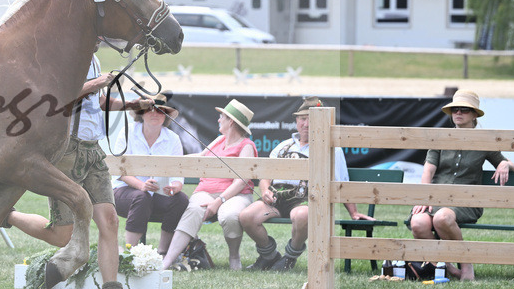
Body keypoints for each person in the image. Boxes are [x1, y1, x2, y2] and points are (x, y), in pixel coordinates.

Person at [0, 54, 156, 289]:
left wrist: (133, 104)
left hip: (94, 151)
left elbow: (97, 102)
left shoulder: (95, 60)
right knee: (61, 236)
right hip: (67, 151)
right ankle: (6, 216)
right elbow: (54, 100)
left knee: (110, 221)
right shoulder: (64, 55)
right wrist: (94, 83)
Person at [239, 97, 373, 272]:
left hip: (306, 200)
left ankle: (289, 257)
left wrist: (353, 212)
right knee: (246, 216)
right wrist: (265, 191)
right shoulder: (283, 146)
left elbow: (341, 182)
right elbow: (265, 176)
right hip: (276, 199)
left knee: (302, 216)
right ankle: (269, 256)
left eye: (312, 119)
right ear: (296, 122)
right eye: (303, 119)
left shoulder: (332, 148)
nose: (307, 124)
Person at [407, 90, 514, 281]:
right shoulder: (440, 137)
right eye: (455, 109)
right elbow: (428, 171)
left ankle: (466, 264)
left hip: (466, 201)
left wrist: (505, 164)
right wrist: (425, 197)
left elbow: (505, 162)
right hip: (436, 197)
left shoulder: (485, 140)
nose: (458, 113)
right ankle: (444, 266)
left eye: (464, 109)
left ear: (474, 115)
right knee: (418, 223)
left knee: (442, 218)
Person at [159, 99, 258, 271]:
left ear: (231, 122)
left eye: (222, 117)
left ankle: (234, 255)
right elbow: (201, 156)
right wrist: (172, 161)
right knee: (194, 209)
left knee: (229, 215)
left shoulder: (247, 146)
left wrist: (218, 201)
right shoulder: (219, 140)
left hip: (237, 195)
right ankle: (166, 261)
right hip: (206, 190)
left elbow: (241, 181)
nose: (219, 120)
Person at [111, 93, 189, 253]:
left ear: (166, 116)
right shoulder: (127, 132)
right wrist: (141, 185)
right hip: (124, 193)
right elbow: (120, 171)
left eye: (160, 111)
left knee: (180, 199)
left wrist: (175, 186)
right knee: (141, 197)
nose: (155, 113)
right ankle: (130, 252)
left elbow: (178, 172)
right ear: (141, 114)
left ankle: (163, 253)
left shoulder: (173, 139)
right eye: (149, 110)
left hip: (158, 195)